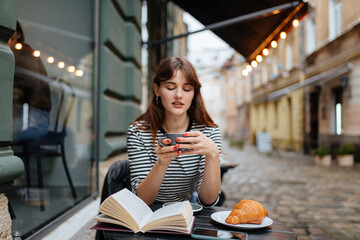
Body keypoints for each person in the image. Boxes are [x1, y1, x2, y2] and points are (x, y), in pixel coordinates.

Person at [127, 56, 222, 207]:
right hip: (148, 211)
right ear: (157, 89)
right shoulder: (138, 132)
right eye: (170, 87)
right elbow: (142, 200)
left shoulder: (208, 132)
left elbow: (208, 200)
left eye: (187, 89)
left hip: (185, 208)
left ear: (194, 94)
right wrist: (162, 163)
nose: (179, 95)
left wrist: (213, 154)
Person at [8, 21, 51, 143]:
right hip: (30, 114)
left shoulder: (23, 51)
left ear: (17, 34)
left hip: (34, 118)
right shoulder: (18, 52)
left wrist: (11, 85)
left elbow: (33, 83)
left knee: (5, 134)